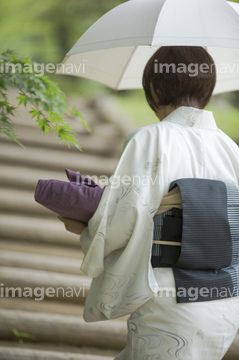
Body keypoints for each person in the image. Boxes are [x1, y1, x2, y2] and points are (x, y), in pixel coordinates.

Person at [59, 46, 239, 360]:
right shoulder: (231, 149)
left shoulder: (150, 138)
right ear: (207, 90)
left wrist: (86, 226)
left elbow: (125, 218)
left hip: (170, 295)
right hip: (225, 298)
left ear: (154, 89)